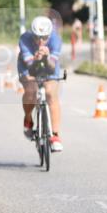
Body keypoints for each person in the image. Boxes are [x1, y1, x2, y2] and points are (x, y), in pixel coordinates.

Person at [19, 15, 64, 152]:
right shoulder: (24, 39)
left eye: (44, 37)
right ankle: (28, 118)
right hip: (28, 66)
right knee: (31, 91)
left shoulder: (56, 40)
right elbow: (31, 68)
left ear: (50, 35)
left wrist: (46, 57)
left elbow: (51, 67)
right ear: (32, 34)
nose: (41, 41)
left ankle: (55, 136)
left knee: (51, 93)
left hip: (49, 64)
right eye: (37, 37)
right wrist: (36, 59)